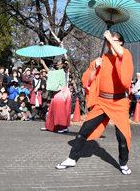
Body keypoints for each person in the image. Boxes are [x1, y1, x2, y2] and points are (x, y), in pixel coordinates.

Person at [55, 31, 134, 176]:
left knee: (122, 137)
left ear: (121, 43)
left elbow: (122, 57)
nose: (110, 43)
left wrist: (109, 37)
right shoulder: (101, 59)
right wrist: (95, 68)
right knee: (84, 129)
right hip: (102, 102)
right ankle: (72, 158)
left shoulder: (125, 54)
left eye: (114, 41)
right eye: (109, 41)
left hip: (119, 102)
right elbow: (89, 80)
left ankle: (123, 163)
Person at [40, 57, 71, 133]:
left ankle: (62, 127)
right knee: (53, 110)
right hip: (60, 92)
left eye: (59, 62)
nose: (57, 62)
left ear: (62, 64)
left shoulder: (61, 71)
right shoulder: (61, 71)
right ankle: (50, 126)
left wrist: (43, 63)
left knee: (60, 111)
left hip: (61, 92)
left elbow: (50, 72)